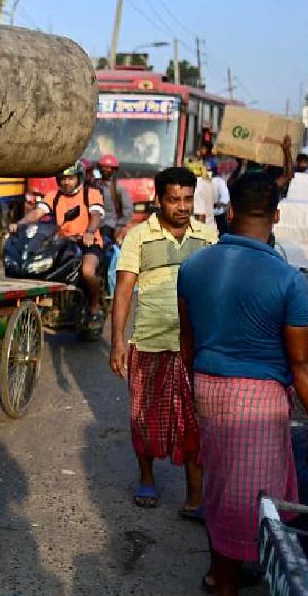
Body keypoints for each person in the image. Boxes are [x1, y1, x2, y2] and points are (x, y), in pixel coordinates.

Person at [177, 172, 308, 596]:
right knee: (254, 496)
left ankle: (218, 571)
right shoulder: (289, 280)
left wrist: (194, 388)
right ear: (277, 215)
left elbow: (186, 338)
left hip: (207, 383)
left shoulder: (192, 267)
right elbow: (303, 363)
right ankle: (227, 579)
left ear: (230, 212)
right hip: (258, 399)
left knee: (220, 482)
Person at [110, 166, 217, 513]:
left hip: (195, 347)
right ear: (159, 200)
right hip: (150, 343)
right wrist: (117, 341)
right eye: (174, 200)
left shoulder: (207, 238)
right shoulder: (139, 237)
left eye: (187, 199)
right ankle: (147, 478)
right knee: (144, 415)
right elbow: (124, 291)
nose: (182, 207)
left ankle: (195, 496)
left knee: (195, 421)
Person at [16, 160, 106, 326]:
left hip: (88, 243)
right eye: (63, 179)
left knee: (87, 271)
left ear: (79, 178)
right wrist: (20, 224)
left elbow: (95, 215)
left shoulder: (91, 193)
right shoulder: (54, 196)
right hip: (63, 243)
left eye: (70, 178)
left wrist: (90, 232)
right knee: (39, 267)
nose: (66, 182)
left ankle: (95, 306)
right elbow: (37, 212)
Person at [95, 154, 134, 243]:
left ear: (114, 170)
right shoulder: (94, 184)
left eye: (109, 168)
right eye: (104, 167)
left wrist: (119, 225)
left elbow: (128, 209)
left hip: (109, 224)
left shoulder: (118, 187)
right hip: (92, 225)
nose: (106, 170)